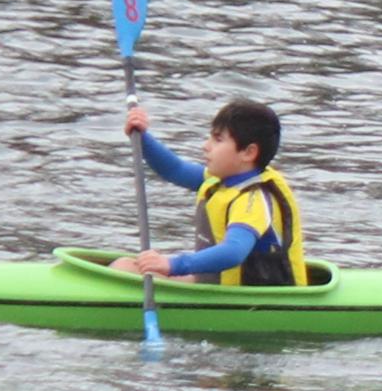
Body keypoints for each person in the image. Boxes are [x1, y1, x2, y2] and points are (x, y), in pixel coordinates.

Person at [112, 98, 312, 285]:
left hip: (245, 301)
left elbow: (234, 252)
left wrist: (172, 264)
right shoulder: (223, 180)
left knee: (123, 269)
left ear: (248, 152)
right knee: (125, 264)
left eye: (218, 139)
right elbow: (175, 169)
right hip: (215, 286)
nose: (205, 146)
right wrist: (142, 137)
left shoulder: (253, 200)